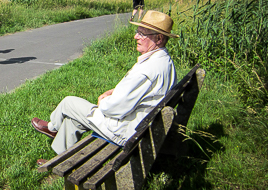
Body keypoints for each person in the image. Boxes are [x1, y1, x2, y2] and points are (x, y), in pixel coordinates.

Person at [31, 10, 178, 157]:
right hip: (139, 126)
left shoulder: (146, 70)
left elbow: (114, 108)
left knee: (68, 103)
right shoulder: (165, 61)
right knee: (73, 119)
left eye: (142, 34)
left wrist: (103, 101)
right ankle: (59, 159)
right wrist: (113, 92)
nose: (135, 37)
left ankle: (52, 128)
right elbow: (138, 92)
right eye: (137, 31)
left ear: (158, 39)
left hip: (124, 130)